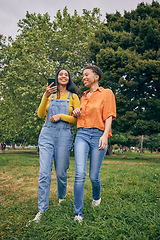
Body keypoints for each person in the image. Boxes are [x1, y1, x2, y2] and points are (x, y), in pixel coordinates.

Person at [28, 69, 80, 224]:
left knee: (61, 172)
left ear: (69, 79)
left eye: (66, 75)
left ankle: (61, 198)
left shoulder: (74, 97)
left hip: (65, 135)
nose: (63, 76)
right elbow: (40, 115)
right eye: (60, 74)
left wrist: (61, 116)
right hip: (47, 134)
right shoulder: (49, 95)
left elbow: (78, 120)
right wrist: (45, 96)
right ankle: (42, 209)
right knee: (44, 173)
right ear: (56, 78)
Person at [72, 65, 116, 223]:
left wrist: (105, 135)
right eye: (82, 76)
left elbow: (109, 115)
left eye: (86, 75)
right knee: (79, 174)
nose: (83, 78)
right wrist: (76, 112)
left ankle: (96, 198)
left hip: (98, 134)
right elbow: (81, 115)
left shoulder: (106, 93)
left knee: (93, 176)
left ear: (96, 77)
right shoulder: (82, 97)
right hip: (82, 134)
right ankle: (78, 213)